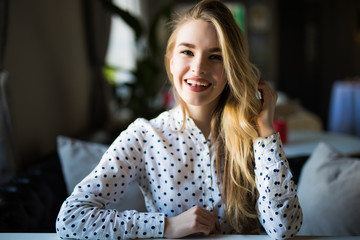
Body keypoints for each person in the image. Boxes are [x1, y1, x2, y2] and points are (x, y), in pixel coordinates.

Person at [56, 0, 302, 239]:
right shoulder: (144, 136)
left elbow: (284, 228)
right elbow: (71, 219)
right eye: (187, 52)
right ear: (171, 62)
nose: (198, 67)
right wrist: (166, 226)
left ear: (231, 69)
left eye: (215, 56)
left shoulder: (252, 137)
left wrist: (266, 129)